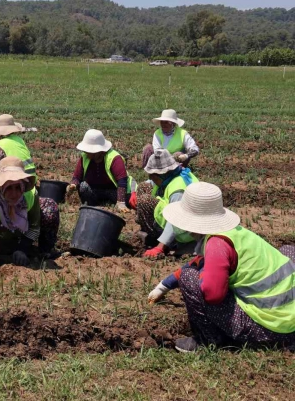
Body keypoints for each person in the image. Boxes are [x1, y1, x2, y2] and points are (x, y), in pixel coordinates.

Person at [147, 182, 295, 353]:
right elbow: (200, 261)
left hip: (268, 332)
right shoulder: (234, 233)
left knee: (189, 277)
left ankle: (208, 340)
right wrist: (165, 285)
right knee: (288, 251)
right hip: (290, 325)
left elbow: (213, 295)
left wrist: (202, 275)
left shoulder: (217, 243)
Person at [136, 149, 199, 258]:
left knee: (145, 201)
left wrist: (160, 247)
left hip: (184, 232)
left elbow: (175, 220)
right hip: (173, 215)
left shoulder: (178, 190)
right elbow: (148, 183)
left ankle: (167, 242)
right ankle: (153, 234)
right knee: (143, 187)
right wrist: (134, 192)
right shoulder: (173, 174)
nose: (150, 179)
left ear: (161, 174)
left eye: (152, 176)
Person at [66, 129, 135, 212]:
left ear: (97, 151)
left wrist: (121, 202)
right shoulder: (84, 157)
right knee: (83, 187)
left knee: (126, 198)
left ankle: (114, 203)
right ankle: (95, 204)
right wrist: (73, 184)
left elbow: (122, 181)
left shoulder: (114, 158)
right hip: (95, 190)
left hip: (113, 190)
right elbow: (77, 177)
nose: (85, 151)